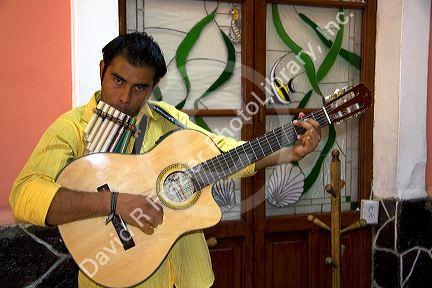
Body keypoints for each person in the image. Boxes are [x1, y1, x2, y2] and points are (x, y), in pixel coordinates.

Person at [9, 32, 321, 288]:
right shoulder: (73, 128)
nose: (124, 97)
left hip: (188, 276)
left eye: (139, 87)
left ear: (153, 87)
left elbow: (222, 153)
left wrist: (287, 152)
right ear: (102, 69)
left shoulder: (166, 119)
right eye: (117, 80)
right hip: (114, 274)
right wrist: (114, 202)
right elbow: (24, 196)